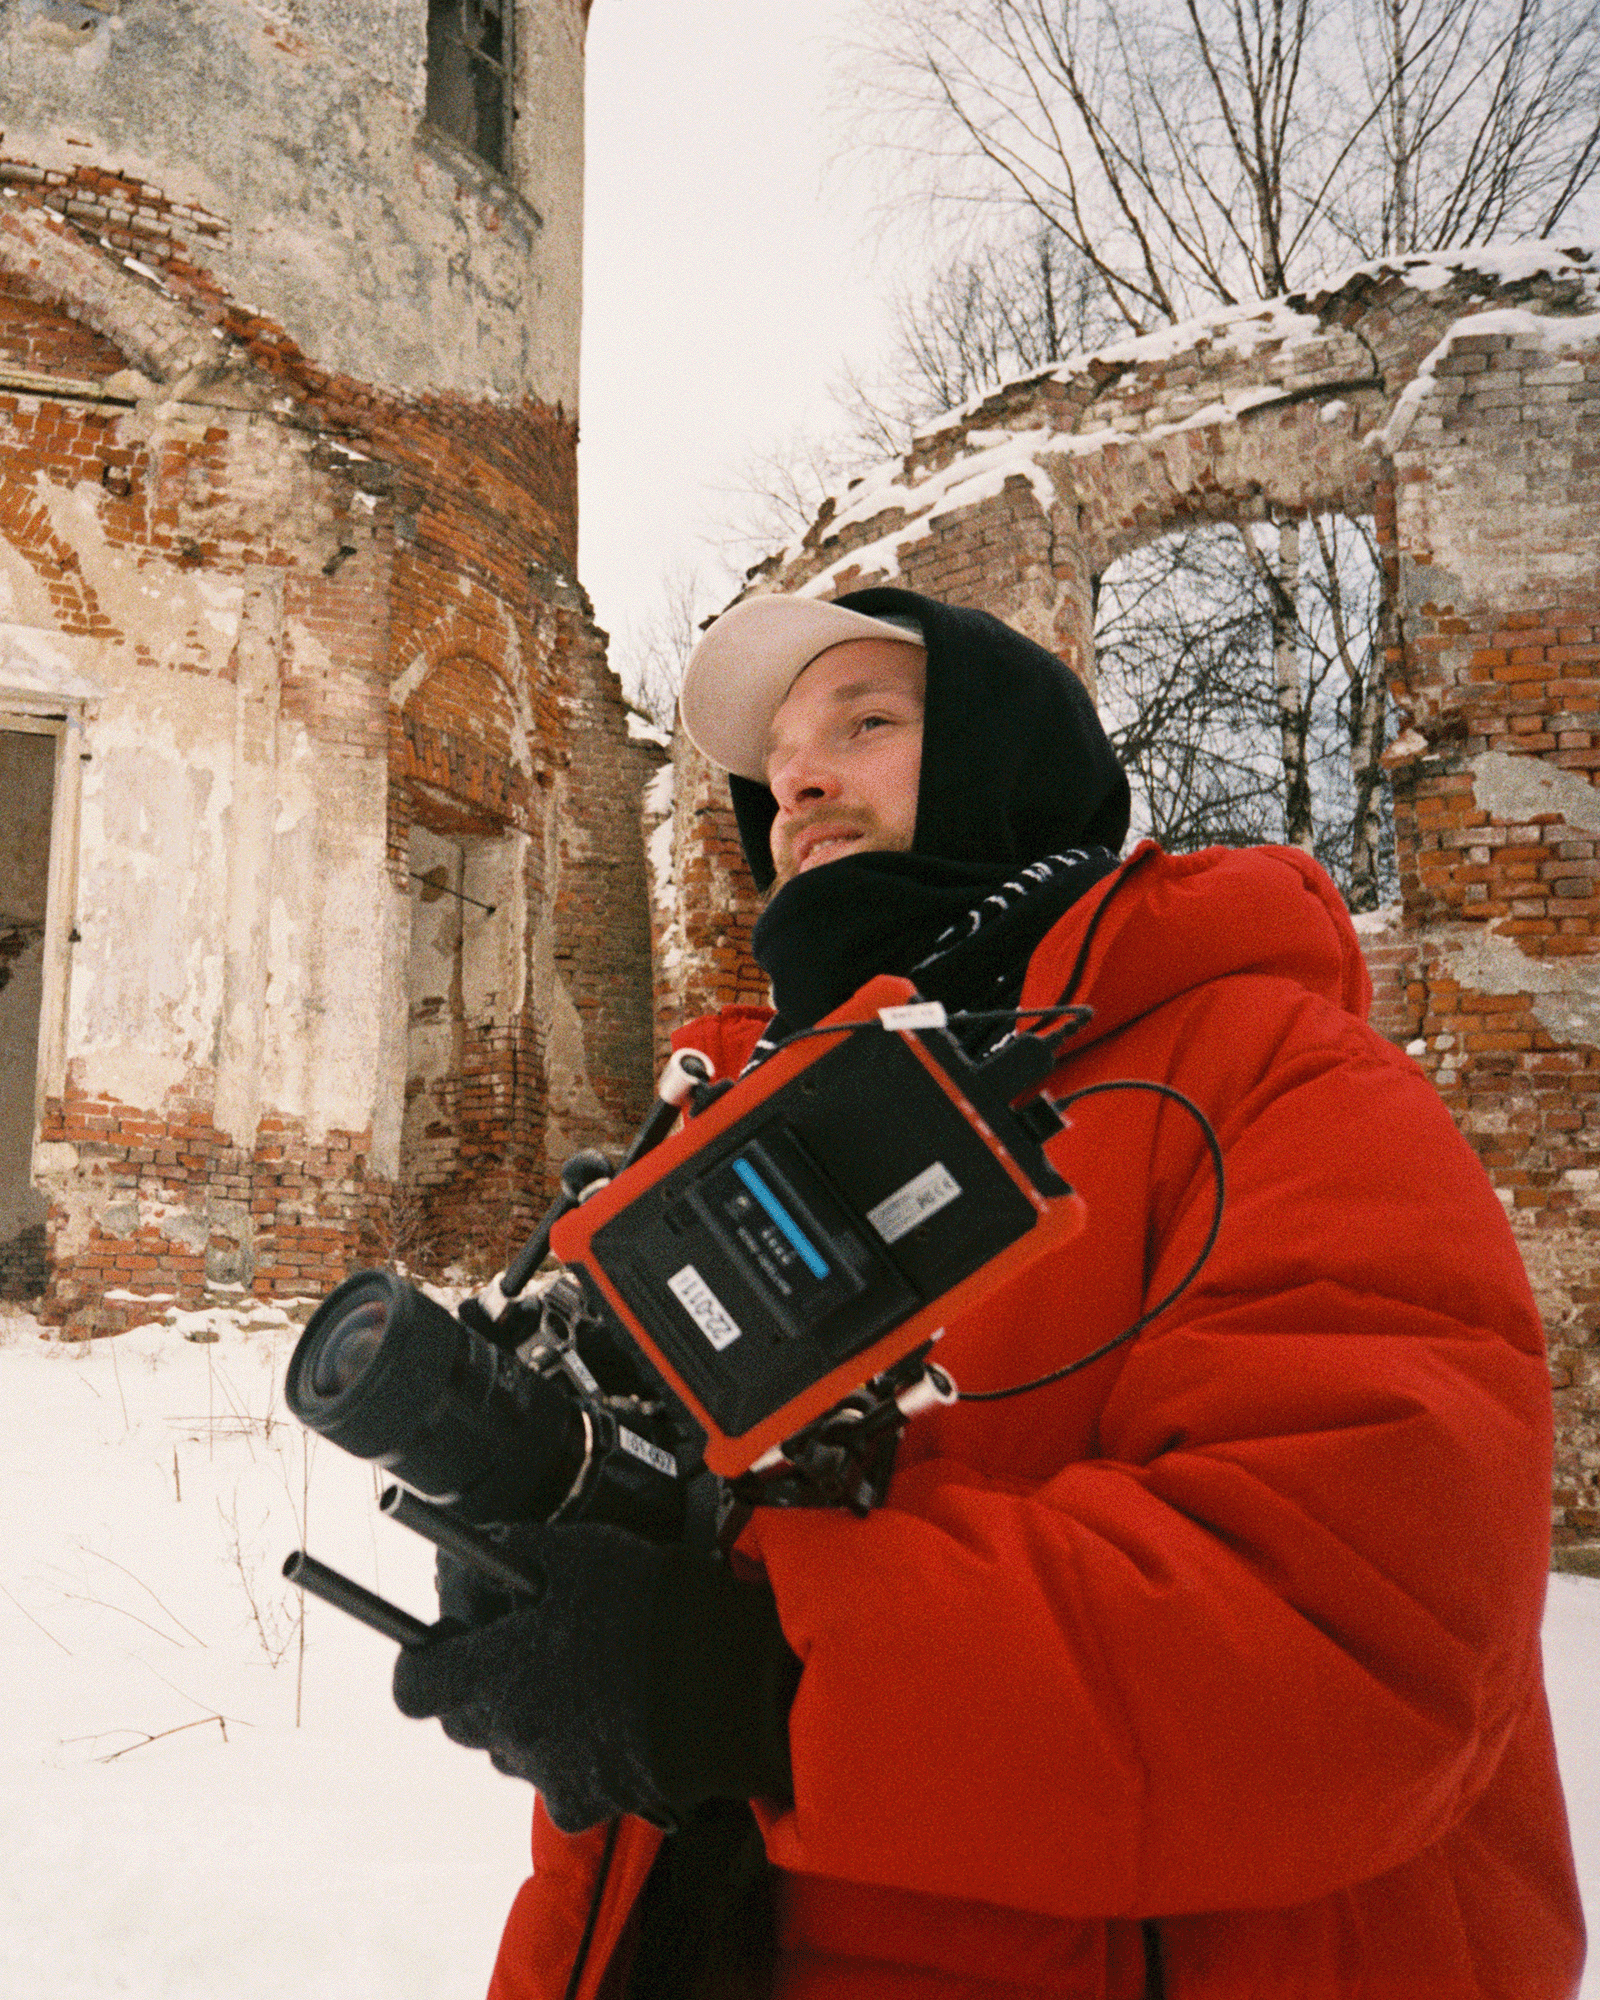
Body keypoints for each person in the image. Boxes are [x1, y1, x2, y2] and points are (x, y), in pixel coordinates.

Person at [393, 588, 1585, 2000]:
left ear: (1009, 760)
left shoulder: (1272, 1074)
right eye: (776, 765)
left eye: (868, 722)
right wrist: (567, 1549)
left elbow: (1352, 1640)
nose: (802, 782)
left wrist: (761, 1680)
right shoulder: (732, 1139)